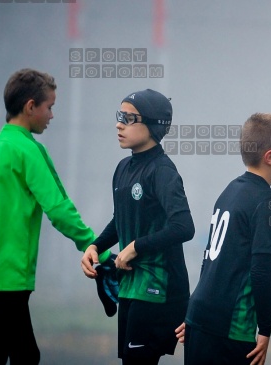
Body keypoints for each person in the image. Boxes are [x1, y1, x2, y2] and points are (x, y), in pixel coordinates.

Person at [0, 68, 110, 364]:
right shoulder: (28, 151)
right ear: (30, 106)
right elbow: (58, 208)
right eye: (50, 107)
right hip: (8, 276)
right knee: (17, 355)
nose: (52, 115)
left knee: (1, 352)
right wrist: (95, 246)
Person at [81, 89, 195, 365]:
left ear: (154, 124)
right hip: (130, 286)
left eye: (129, 118)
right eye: (119, 116)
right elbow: (122, 219)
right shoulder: (122, 168)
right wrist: (95, 245)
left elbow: (183, 226)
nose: (119, 124)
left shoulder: (163, 171)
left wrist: (135, 247)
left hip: (158, 289)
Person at [175, 113, 271, 365]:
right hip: (230, 325)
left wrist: (193, 311)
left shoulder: (230, 190)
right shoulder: (269, 202)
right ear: (270, 157)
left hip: (199, 315)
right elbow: (261, 269)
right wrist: (265, 328)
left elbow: (208, 259)